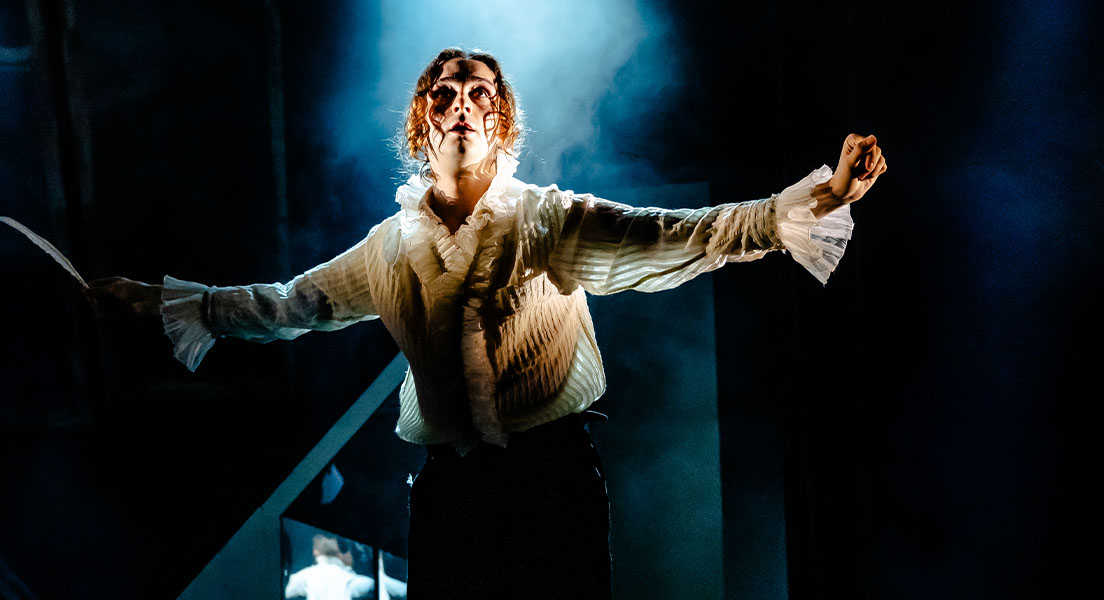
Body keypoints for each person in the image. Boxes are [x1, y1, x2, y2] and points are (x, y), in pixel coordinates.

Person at [85, 47, 886, 599]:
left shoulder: (548, 218)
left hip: (552, 478)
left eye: (479, 94)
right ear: (421, 121)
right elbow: (290, 305)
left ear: (500, 121)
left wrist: (814, 201)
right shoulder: (388, 250)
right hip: (452, 490)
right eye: (444, 91)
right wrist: (161, 301)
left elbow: (679, 234)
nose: (461, 103)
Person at [284, 535, 374, 600]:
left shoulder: (304, 575)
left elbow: (287, 592)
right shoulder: (351, 578)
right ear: (339, 553)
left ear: (315, 552)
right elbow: (370, 585)